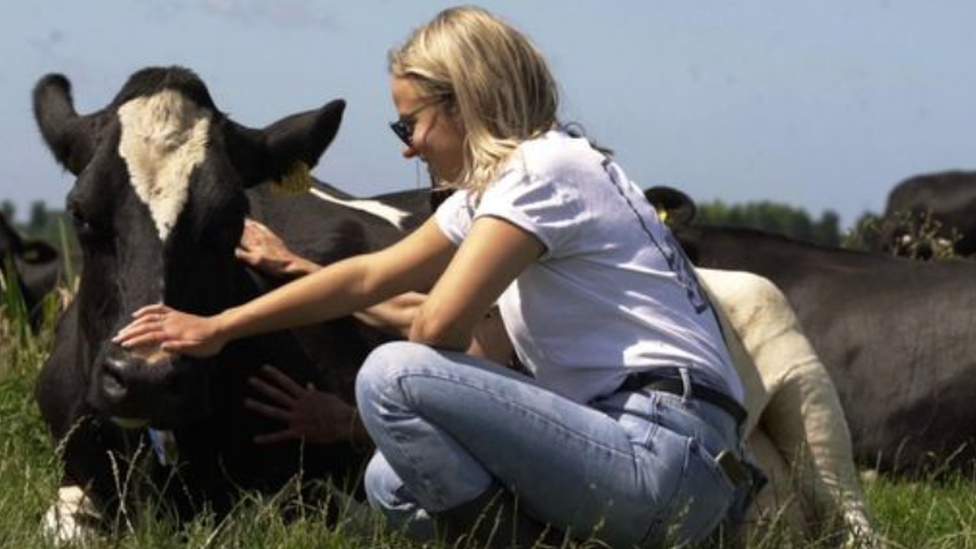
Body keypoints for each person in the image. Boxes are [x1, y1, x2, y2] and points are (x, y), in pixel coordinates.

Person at [114, 6, 747, 547]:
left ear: (464, 101)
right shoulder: (517, 186)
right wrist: (219, 327)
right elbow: (370, 276)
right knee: (390, 483)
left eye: (408, 123)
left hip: (663, 452)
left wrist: (361, 402)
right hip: (643, 452)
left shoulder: (540, 171)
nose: (406, 149)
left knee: (392, 374)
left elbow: (439, 327)